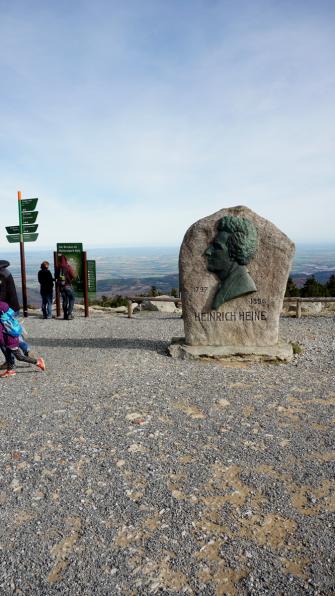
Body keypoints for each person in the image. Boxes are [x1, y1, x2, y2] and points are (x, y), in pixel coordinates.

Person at [205, 215, 258, 309]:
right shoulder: (228, 282)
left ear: (235, 251)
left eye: (217, 247)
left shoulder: (244, 284)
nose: (207, 252)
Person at [0, 301, 45, 378]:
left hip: (10, 342)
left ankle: (38, 362)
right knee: (8, 356)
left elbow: (0, 336)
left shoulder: (2, 322)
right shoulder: (7, 317)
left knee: (19, 357)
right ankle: (10, 371)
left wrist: (2, 343)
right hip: (10, 340)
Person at [0, 260, 31, 369]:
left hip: (6, 310)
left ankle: (10, 362)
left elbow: (2, 295)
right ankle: (25, 349)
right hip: (11, 307)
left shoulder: (1, 275)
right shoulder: (4, 272)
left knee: (6, 335)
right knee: (13, 332)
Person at [57, 255, 75, 320]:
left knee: (65, 300)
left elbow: (56, 276)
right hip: (68, 286)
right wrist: (70, 280)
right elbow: (73, 275)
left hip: (61, 287)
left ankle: (65, 315)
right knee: (72, 299)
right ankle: (69, 314)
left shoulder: (58, 268)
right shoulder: (68, 267)